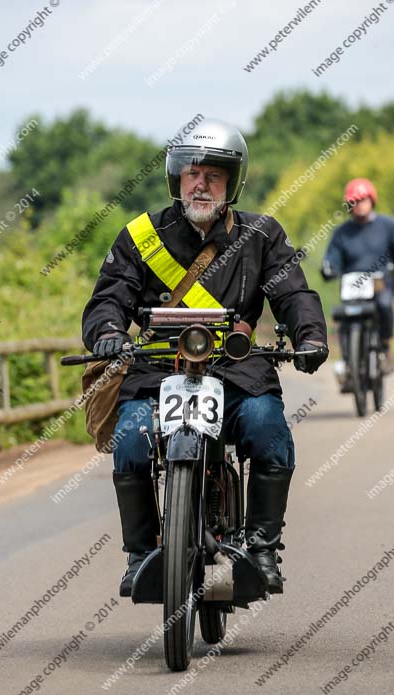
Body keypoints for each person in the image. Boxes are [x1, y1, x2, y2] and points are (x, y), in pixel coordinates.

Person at [82, 118, 328, 597]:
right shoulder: (140, 236)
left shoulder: (262, 234)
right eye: (191, 173)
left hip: (238, 371)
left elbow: (294, 294)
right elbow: (108, 298)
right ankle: (140, 555)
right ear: (175, 178)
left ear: (231, 183)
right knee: (131, 439)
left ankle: (262, 547)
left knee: (267, 428)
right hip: (157, 370)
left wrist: (310, 335)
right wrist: (108, 332)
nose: (200, 184)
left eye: (213, 175)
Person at [321, 178, 394, 375]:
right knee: (343, 316)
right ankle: (348, 362)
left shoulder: (388, 225)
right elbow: (332, 257)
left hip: (381, 281)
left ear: (372, 200)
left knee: (384, 304)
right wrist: (328, 268)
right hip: (352, 285)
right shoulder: (341, 233)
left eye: (363, 199)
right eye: (354, 201)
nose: (360, 205)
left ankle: (385, 347)